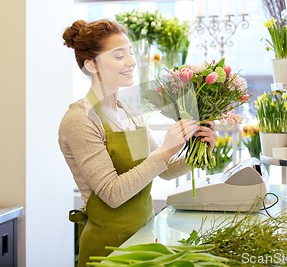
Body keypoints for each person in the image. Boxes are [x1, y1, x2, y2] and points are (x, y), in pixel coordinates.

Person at [58, 19, 217, 267]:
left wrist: (199, 151)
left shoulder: (130, 112)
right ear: (91, 65)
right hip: (108, 251)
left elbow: (166, 171)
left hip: (144, 239)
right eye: (119, 55)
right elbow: (112, 193)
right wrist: (166, 149)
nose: (132, 61)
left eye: (130, 53)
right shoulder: (79, 120)